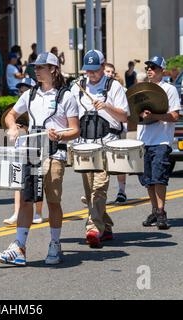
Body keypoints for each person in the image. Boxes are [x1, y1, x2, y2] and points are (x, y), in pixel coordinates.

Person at [0, 52, 80, 266]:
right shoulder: (29, 95)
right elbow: (11, 115)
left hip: (54, 153)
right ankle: (19, 247)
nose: (36, 70)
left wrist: (59, 134)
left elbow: (75, 130)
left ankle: (55, 244)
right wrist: (12, 127)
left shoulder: (66, 96)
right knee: (25, 200)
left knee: (53, 202)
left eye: (41, 67)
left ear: (53, 69)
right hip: (30, 153)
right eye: (35, 67)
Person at [71, 50, 129, 248]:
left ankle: (93, 228)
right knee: (89, 192)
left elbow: (124, 117)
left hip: (106, 142)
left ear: (103, 67)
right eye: (88, 71)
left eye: (95, 70)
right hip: (85, 145)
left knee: (99, 187)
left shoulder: (114, 87)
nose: (91, 74)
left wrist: (106, 107)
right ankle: (106, 227)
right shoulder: (77, 87)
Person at [138, 56, 181, 230]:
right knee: (148, 180)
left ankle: (162, 212)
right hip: (143, 141)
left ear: (162, 71)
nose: (149, 69)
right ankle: (155, 211)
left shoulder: (169, 89)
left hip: (161, 140)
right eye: (148, 66)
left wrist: (154, 116)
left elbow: (175, 116)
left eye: (154, 67)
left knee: (159, 179)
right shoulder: (142, 90)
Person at [3, 77, 45, 225]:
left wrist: (24, 128)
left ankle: (38, 212)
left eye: (25, 90)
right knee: (18, 181)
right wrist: (14, 128)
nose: (22, 93)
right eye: (20, 91)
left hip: (37, 143)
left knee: (37, 179)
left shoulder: (38, 104)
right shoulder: (19, 106)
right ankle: (17, 212)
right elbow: (10, 119)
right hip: (21, 145)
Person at [105, 62, 128, 204]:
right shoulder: (96, 89)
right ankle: (99, 194)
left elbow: (125, 112)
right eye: (107, 71)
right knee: (103, 165)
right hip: (101, 133)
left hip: (118, 130)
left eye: (112, 72)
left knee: (119, 164)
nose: (110, 74)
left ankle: (121, 191)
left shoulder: (120, 89)